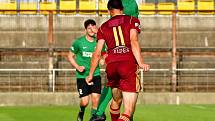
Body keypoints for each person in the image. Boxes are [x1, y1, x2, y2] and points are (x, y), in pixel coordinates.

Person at [86, 0, 150, 121]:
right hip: (127, 65)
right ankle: (101, 113)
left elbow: (96, 54)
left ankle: (99, 113)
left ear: (109, 10)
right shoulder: (132, 20)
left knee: (116, 101)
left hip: (112, 67)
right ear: (122, 8)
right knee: (128, 112)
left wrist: (90, 74)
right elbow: (134, 41)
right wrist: (141, 62)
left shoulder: (103, 27)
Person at [68, 19, 105, 121]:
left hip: (95, 74)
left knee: (96, 98)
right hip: (82, 76)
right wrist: (77, 67)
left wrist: (103, 59)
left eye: (93, 27)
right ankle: (81, 110)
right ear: (86, 29)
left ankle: (93, 118)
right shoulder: (78, 42)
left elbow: (104, 53)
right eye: (89, 28)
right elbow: (70, 56)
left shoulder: (99, 42)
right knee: (85, 102)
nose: (91, 30)